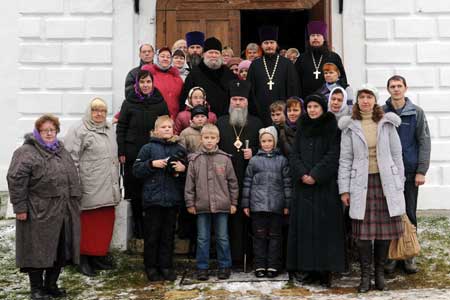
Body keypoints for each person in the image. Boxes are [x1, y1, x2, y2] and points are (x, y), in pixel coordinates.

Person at [338, 84, 405, 292]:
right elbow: (345, 160)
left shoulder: (387, 124)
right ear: (357, 101)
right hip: (361, 184)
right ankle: (365, 277)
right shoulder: (350, 126)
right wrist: (344, 189)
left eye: (369, 97)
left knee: (384, 233)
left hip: (385, 184)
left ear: (375, 101)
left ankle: (380, 274)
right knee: (364, 234)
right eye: (362, 97)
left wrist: (399, 182)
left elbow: (397, 155)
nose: (365, 101)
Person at [7, 114, 81, 300]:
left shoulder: (60, 150)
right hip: (38, 211)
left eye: (52, 130)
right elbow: (16, 180)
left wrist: (75, 201)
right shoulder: (26, 152)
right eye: (45, 130)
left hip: (62, 210)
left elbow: (70, 175)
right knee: (37, 251)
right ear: (37, 132)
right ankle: (37, 289)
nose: (49, 133)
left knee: (58, 249)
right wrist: (20, 208)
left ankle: (51, 285)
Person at [287, 93, 345, 287]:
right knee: (305, 230)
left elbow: (333, 154)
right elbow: (294, 154)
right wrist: (303, 173)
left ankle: (324, 270)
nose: (312, 110)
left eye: (316, 107)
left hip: (324, 187)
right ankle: (307, 268)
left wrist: (316, 174)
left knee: (324, 229)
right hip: (303, 187)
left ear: (322, 109)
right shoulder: (302, 126)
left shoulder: (332, 128)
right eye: (309, 106)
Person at [64, 98, 121, 277]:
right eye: (95, 110)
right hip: (89, 185)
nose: (99, 114)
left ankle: (98, 255)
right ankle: (83, 258)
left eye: (103, 111)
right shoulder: (78, 130)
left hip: (108, 183)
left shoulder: (108, 129)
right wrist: (75, 185)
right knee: (88, 223)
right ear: (89, 111)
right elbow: (70, 159)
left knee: (104, 221)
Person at [383, 75, 431, 274]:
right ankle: (392, 256)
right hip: (388, 172)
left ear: (405, 88)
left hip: (410, 171)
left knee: (409, 213)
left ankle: (409, 254)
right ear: (388, 89)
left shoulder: (416, 113)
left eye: (399, 86)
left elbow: (424, 142)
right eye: (392, 86)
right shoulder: (382, 112)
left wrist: (421, 170)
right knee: (388, 214)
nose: (396, 89)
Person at [133, 115, 187, 282]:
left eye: (169, 127)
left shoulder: (179, 148)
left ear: (173, 130)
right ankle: (151, 267)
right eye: (163, 127)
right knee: (152, 235)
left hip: (172, 200)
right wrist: (151, 164)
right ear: (155, 130)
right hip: (153, 200)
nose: (166, 129)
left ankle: (166, 266)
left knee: (167, 236)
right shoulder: (148, 148)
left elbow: (188, 173)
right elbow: (136, 170)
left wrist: (182, 168)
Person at [116, 69, 169, 239]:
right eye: (142, 82)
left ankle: (152, 227)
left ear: (153, 83)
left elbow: (166, 124)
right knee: (135, 189)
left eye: (148, 82)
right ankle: (137, 227)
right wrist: (122, 151)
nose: (145, 85)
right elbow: (121, 127)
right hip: (133, 153)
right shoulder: (129, 102)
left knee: (153, 188)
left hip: (155, 152)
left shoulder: (160, 102)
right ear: (137, 84)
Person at [217, 80, 263, 265]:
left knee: (249, 218)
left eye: (241, 99)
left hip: (250, 179)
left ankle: (251, 257)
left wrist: (255, 151)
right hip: (225, 180)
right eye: (234, 99)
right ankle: (232, 258)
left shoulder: (256, 122)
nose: (237, 103)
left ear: (247, 102)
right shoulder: (220, 122)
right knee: (229, 220)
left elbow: (267, 146)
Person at [185, 124, 239, 280]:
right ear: (201, 139)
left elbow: (233, 183)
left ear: (218, 139)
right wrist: (190, 203)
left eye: (212, 138)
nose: (209, 141)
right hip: (201, 206)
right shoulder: (195, 160)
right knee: (202, 238)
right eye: (206, 138)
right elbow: (190, 184)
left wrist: (234, 203)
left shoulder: (225, 159)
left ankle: (224, 266)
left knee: (222, 237)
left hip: (222, 206)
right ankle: (202, 267)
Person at [242, 126, 292, 278]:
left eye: (270, 141)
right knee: (259, 237)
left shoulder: (282, 161)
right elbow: (247, 183)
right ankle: (259, 265)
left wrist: (287, 204)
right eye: (264, 141)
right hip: (258, 206)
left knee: (275, 237)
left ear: (275, 142)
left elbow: (287, 184)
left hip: (276, 206)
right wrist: (246, 204)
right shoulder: (254, 161)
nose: (267, 144)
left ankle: (273, 265)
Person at [247, 26, 300, 126]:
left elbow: (293, 89)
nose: (269, 46)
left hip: (283, 113)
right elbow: (251, 91)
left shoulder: (287, 64)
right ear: (261, 46)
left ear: (276, 44)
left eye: (272, 43)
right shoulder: (255, 65)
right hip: (260, 114)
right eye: (266, 43)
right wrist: (255, 111)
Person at [180, 37, 237, 117]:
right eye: (210, 52)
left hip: (225, 119)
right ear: (203, 54)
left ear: (220, 55)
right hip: (202, 119)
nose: (213, 55)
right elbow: (185, 99)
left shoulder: (229, 74)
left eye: (216, 53)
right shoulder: (194, 74)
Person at [295, 21, 347, 99]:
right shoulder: (302, 59)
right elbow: (296, 82)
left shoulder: (333, 57)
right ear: (309, 39)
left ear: (324, 38)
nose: (315, 38)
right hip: (307, 102)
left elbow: (342, 80)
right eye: (312, 35)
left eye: (318, 35)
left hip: (329, 101)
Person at [142, 47, 183, 119]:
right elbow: (137, 94)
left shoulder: (177, 78)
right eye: (162, 56)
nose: (165, 59)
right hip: (153, 117)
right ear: (157, 58)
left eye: (168, 57)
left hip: (173, 118)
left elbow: (183, 98)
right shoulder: (149, 74)